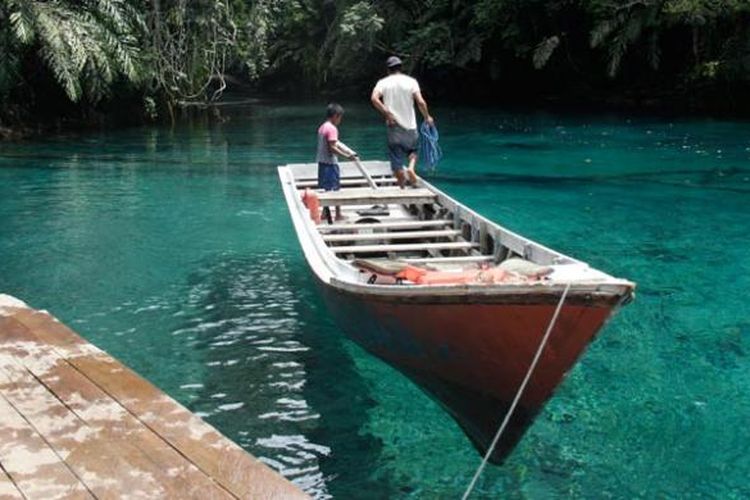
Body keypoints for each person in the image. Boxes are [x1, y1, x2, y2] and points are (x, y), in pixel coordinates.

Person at [371, 56, 434, 188]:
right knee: (413, 151)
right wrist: (427, 117)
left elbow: (374, 99)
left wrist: (387, 113)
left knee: (396, 161)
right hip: (411, 125)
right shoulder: (411, 82)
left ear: (388, 70)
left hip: (393, 126)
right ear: (401, 68)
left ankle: (402, 188)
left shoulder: (383, 82)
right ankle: (411, 168)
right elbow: (421, 102)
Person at [316, 103, 358, 222]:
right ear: (335, 116)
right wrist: (347, 156)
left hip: (322, 163)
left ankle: (325, 213)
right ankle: (338, 214)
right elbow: (332, 148)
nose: (340, 120)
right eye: (340, 117)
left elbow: (334, 144)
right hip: (330, 164)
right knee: (336, 189)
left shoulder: (322, 127)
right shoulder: (332, 129)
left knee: (326, 189)